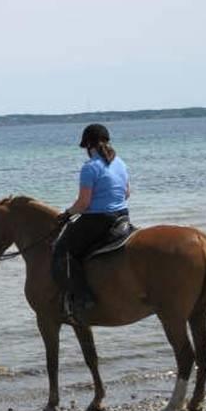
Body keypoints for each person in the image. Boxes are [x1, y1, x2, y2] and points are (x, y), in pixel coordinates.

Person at [52, 123, 130, 322]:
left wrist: (67, 214)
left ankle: (83, 297)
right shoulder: (120, 163)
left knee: (62, 250)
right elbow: (127, 193)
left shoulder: (90, 167)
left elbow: (84, 203)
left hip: (99, 220)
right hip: (123, 216)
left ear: (88, 145)